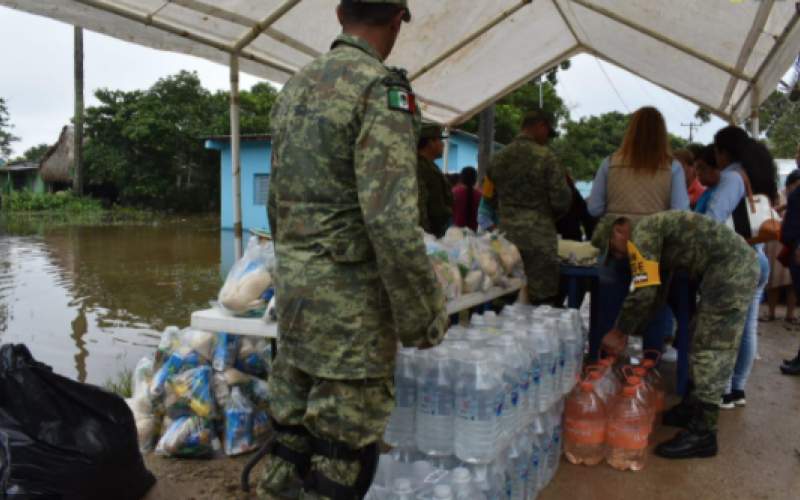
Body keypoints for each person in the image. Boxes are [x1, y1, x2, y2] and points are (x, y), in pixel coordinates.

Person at [262, 1, 448, 498]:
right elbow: (391, 221)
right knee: (342, 457)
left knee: (291, 439)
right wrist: (424, 317)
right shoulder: (380, 90)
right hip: (351, 313)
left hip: (296, 296)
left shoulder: (296, 85)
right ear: (396, 22)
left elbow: (274, 203)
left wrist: (298, 264)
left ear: (340, 12)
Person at [593, 212, 759, 459]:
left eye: (614, 250)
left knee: (711, 346)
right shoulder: (653, 234)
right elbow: (657, 292)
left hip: (731, 269)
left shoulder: (642, 233)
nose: (618, 257)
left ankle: (704, 432)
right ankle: (692, 407)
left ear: (618, 230)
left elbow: (643, 292)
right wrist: (632, 332)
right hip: (726, 268)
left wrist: (618, 331)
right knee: (694, 336)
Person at [588, 106, 690, 357]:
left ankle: (602, 372)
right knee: (653, 311)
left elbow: (594, 207)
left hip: (615, 248)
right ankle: (646, 375)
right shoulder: (672, 167)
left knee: (608, 313)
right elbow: (679, 211)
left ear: (630, 131)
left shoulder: (610, 163)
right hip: (652, 252)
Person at [707, 126, 776, 409]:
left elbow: (714, 218)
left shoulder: (733, 178)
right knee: (747, 328)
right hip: (758, 259)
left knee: (726, 327)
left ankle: (723, 391)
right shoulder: (759, 176)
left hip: (736, 261)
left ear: (723, 152)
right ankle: (737, 389)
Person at [482, 108, 572, 306]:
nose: (548, 139)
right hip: (540, 241)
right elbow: (562, 201)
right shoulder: (548, 158)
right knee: (544, 304)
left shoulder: (496, 159)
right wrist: (545, 218)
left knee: (504, 301)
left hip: (507, 242)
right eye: (548, 133)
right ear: (541, 126)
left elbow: (488, 199)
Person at [761, 169, 800, 324]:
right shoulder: (780, 195)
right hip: (777, 239)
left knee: (791, 281)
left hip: (792, 243)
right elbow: (769, 212)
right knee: (775, 279)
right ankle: (771, 311)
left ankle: (790, 313)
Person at [555, 171, 595, 307]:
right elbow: (588, 219)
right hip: (573, 244)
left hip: (554, 245)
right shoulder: (572, 192)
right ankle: (573, 310)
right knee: (577, 282)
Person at [417, 124, 454, 238]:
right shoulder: (419, 167)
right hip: (427, 233)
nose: (442, 145)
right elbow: (420, 204)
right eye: (439, 140)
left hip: (436, 230)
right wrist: (425, 237)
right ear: (430, 143)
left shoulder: (430, 166)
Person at [693, 145, 722, 215]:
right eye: (696, 169)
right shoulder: (707, 192)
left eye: (702, 168)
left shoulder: (717, 195)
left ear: (718, 168)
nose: (698, 173)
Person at [451, 166, 481, 231]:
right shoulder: (480, 194)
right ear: (475, 180)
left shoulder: (454, 192)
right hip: (474, 231)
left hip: (456, 231)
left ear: (461, 179)